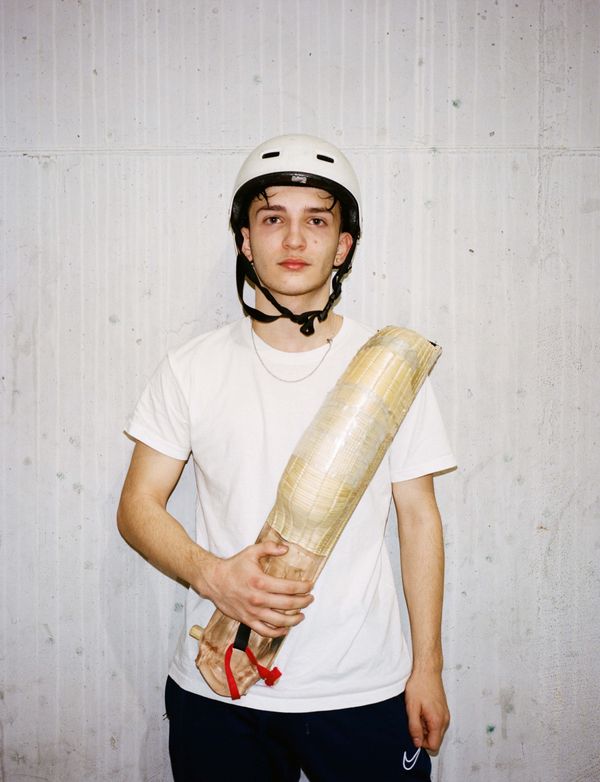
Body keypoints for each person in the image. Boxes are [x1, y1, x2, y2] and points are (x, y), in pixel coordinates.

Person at [117, 134, 456, 781]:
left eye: (317, 221)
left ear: (343, 245)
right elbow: (137, 507)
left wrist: (428, 669)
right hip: (220, 691)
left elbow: (419, 520)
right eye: (273, 219)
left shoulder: (390, 370)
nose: (295, 239)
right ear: (246, 241)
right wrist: (211, 576)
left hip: (363, 689)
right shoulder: (192, 367)